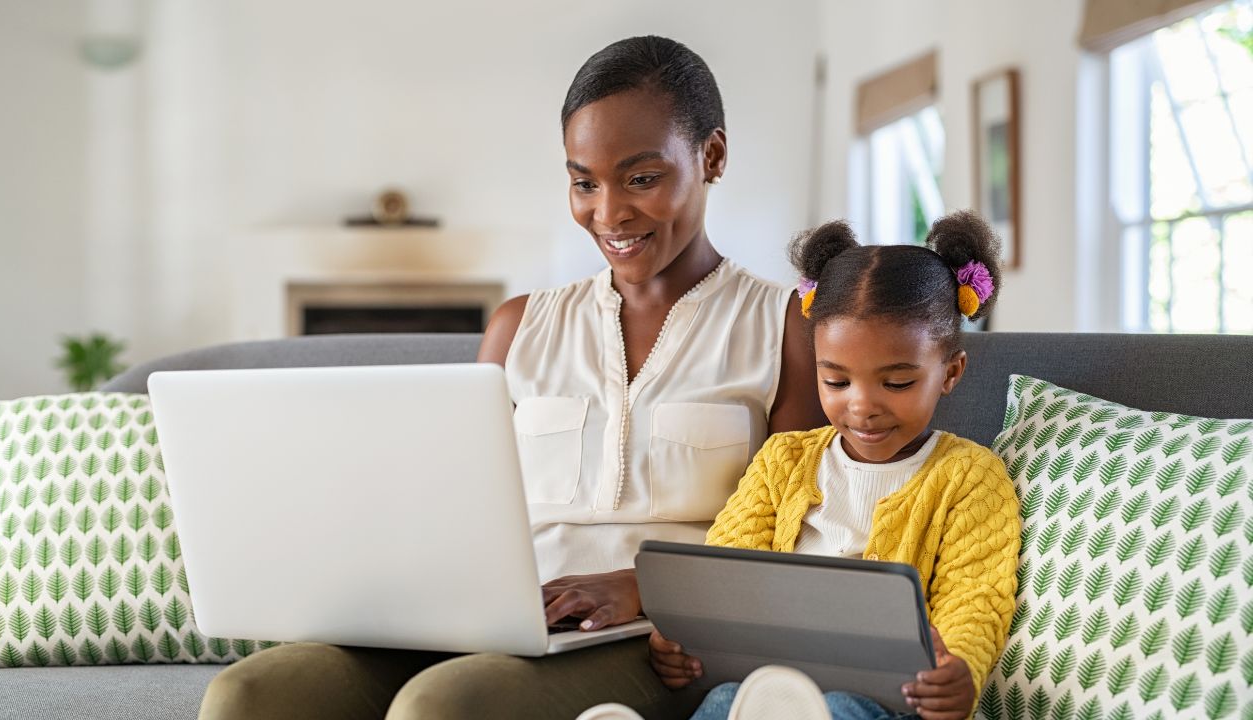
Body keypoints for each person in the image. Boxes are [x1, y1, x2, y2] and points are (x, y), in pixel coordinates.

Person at [198, 36, 824, 720]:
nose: (608, 213)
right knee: (247, 695)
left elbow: (793, 542)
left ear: (712, 156)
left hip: (660, 639)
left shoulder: (785, 326)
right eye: (584, 181)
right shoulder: (520, 327)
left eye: (642, 178)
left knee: (445, 706)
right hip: (492, 618)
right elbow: (445, 512)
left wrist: (642, 586)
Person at [579, 212, 1021, 720]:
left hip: (888, 703)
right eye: (836, 382)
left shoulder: (970, 477)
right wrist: (683, 637)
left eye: (896, 383)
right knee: (726, 700)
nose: (861, 406)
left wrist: (958, 670)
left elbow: (976, 599)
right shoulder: (783, 460)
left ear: (951, 372)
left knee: (835, 709)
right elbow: (725, 568)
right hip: (768, 686)